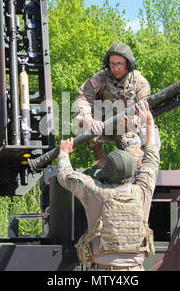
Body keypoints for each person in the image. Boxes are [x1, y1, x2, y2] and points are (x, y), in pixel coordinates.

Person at [57, 101, 160, 271]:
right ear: (133, 171)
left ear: (106, 172)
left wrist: (63, 153)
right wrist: (149, 123)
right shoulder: (143, 191)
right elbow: (152, 156)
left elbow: (66, 176)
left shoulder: (96, 192)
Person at [74, 42, 154, 168]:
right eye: (112, 64)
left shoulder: (140, 83)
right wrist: (89, 120)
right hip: (102, 125)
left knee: (134, 165)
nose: (115, 68)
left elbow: (146, 112)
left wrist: (132, 121)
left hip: (127, 128)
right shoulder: (101, 78)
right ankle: (100, 156)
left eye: (120, 64)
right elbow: (82, 97)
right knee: (82, 118)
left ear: (128, 64)